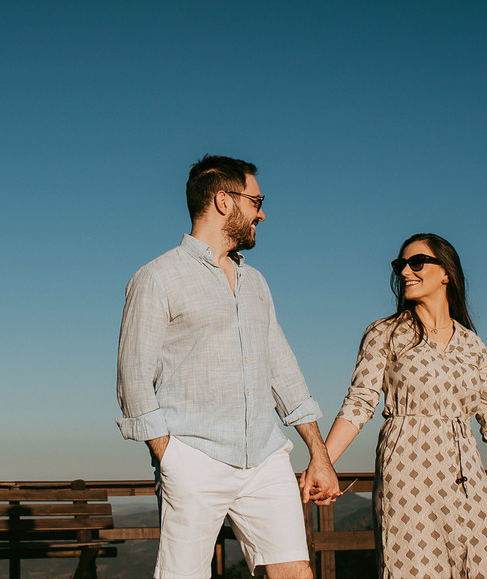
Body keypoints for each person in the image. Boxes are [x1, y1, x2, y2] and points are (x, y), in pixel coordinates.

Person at [117, 155, 339, 579]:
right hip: (193, 457)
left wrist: (319, 453)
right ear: (223, 200)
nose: (263, 212)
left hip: (266, 458)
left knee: (296, 572)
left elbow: (282, 367)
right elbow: (133, 379)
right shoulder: (157, 278)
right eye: (256, 200)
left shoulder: (256, 282)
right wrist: (171, 458)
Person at [307, 233, 487, 578]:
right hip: (408, 478)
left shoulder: (473, 345)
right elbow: (359, 403)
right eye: (401, 265)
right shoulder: (385, 333)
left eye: (417, 262)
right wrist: (322, 463)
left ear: (446, 273)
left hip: (468, 479)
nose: (406, 272)